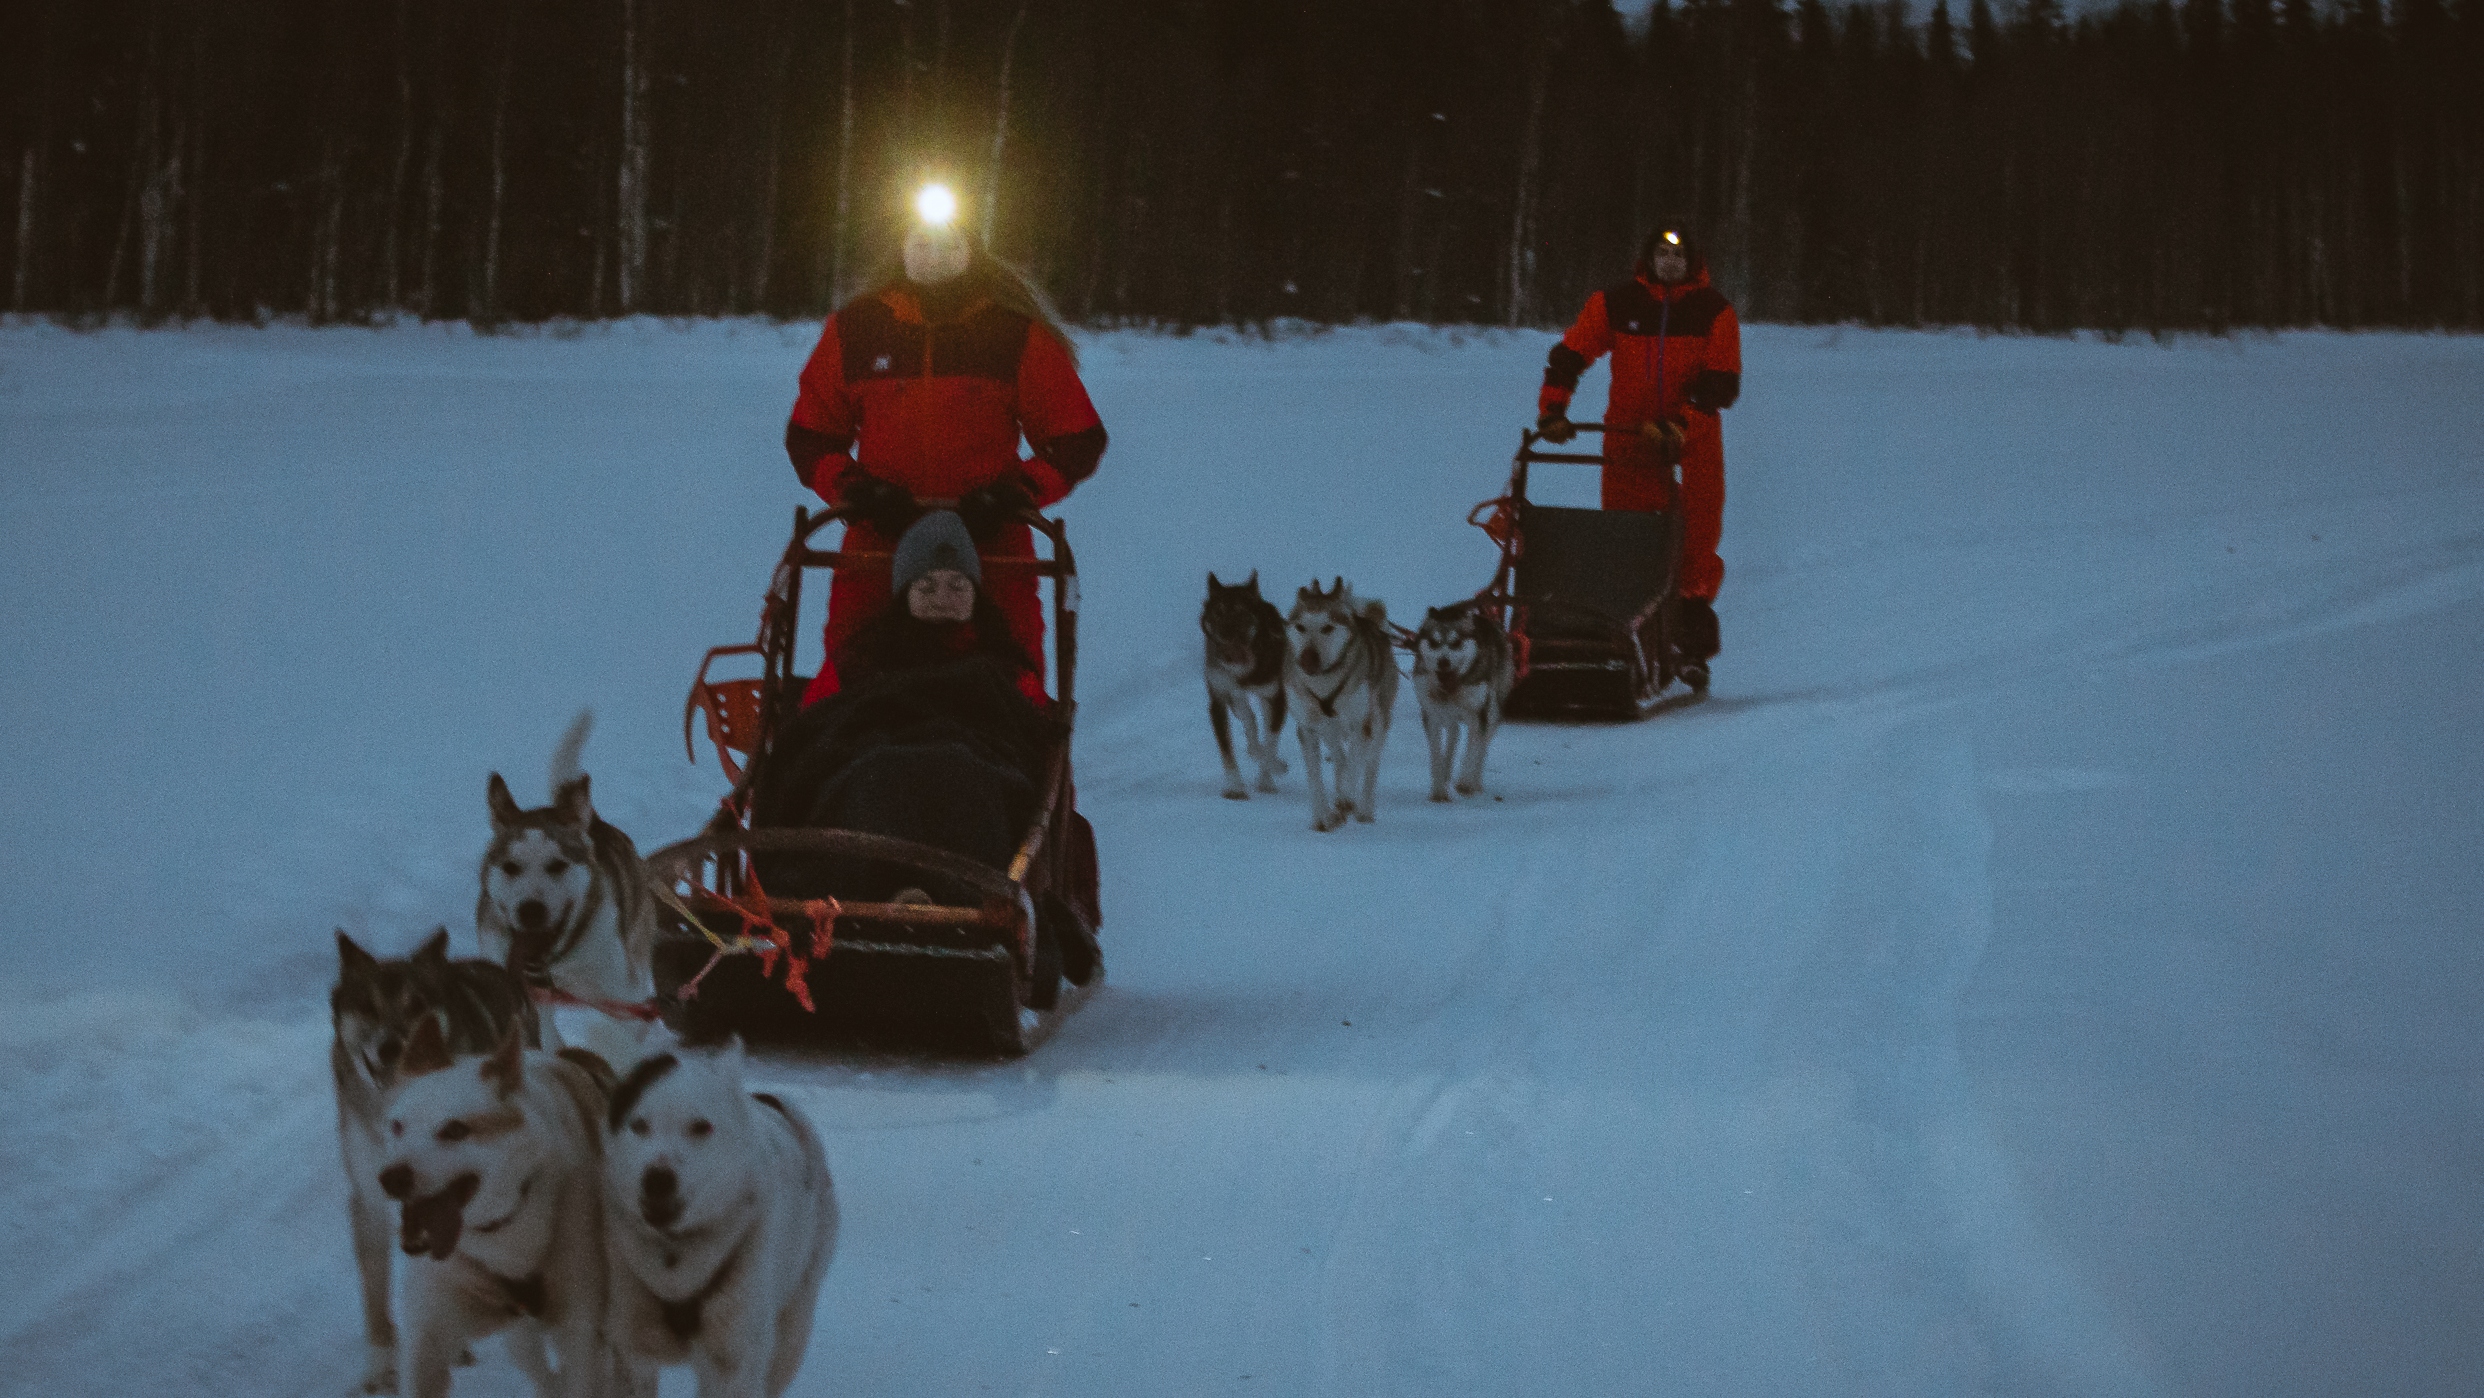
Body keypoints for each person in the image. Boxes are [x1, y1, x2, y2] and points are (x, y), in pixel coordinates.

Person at [783, 181, 1108, 705]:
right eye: (921, 245)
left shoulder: (1012, 335)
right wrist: (854, 489)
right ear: (901, 249)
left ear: (971, 253)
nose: (934, 260)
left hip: (992, 544)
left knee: (1014, 689)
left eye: (949, 247)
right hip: (878, 541)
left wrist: (1015, 495)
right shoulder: (857, 330)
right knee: (846, 681)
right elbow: (812, 435)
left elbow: (1077, 439)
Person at [1534, 219, 1740, 667]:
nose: (1669, 263)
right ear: (1649, 259)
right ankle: (1622, 628)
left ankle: (1689, 636)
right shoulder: (1615, 303)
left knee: (1696, 534)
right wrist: (1553, 408)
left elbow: (1721, 381)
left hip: (1694, 432)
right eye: (1662, 255)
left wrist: (1681, 423)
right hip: (1629, 432)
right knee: (1628, 531)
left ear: (1692, 263)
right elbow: (1572, 353)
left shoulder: (1714, 312)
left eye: (1678, 256)